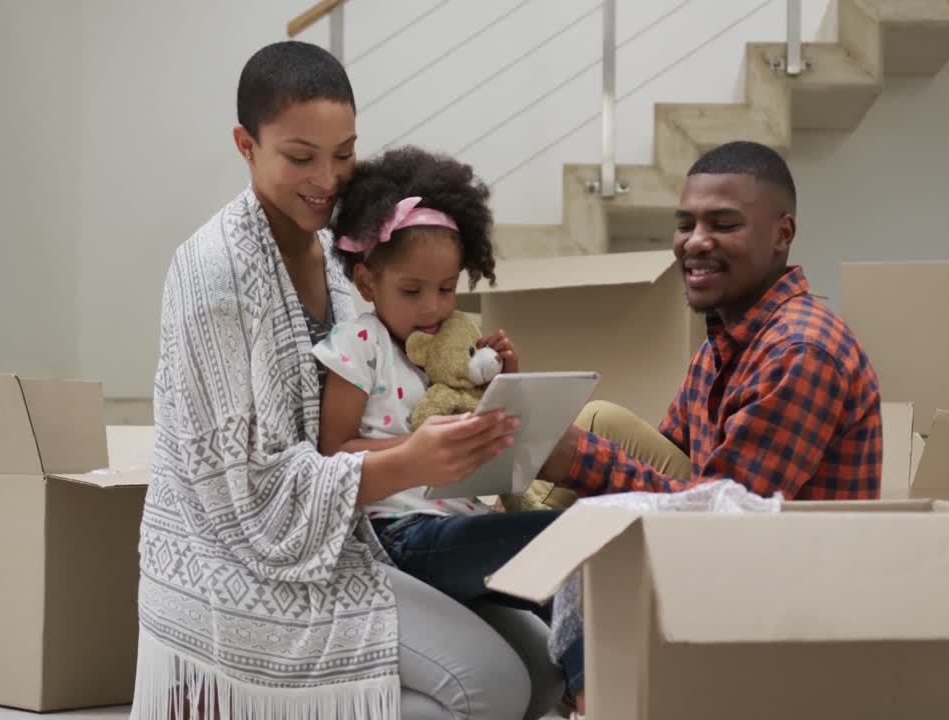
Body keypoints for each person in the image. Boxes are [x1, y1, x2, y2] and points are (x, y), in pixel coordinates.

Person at [132, 41, 555, 720]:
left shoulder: (338, 254)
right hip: (239, 570)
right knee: (491, 688)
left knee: (545, 670)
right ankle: (227, 702)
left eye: (345, 153)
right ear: (246, 144)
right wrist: (408, 462)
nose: (328, 179)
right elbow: (248, 496)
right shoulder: (213, 274)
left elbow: (391, 385)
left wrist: (480, 398)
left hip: (347, 537)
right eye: (301, 157)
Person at [313, 145, 582, 716]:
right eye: (411, 291)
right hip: (399, 535)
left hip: (454, 521)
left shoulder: (443, 355)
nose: (433, 307)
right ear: (366, 282)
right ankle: (592, 692)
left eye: (446, 289)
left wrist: (503, 387)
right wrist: (418, 451)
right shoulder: (361, 345)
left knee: (568, 559)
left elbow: (485, 441)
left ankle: (579, 680)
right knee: (565, 537)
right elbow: (332, 454)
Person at [540, 140, 883, 500]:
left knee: (582, 451)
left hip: (777, 552)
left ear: (782, 234)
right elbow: (669, 465)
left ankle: (509, 542)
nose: (696, 242)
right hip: (724, 538)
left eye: (723, 224)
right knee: (601, 421)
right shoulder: (720, 345)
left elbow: (728, 518)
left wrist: (578, 460)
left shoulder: (799, 351)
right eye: (686, 225)